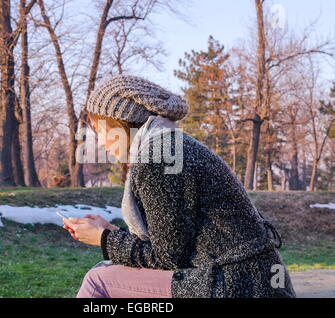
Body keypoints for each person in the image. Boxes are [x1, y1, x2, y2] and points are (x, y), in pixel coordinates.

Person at [63, 74, 296, 298]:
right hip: (252, 280)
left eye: (101, 132)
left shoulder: (160, 157)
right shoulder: (170, 145)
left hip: (236, 283)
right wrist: (111, 233)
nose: (101, 142)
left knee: (99, 279)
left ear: (122, 122)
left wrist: (104, 238)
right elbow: (173, 241)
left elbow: (168, 258)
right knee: (109, 273)